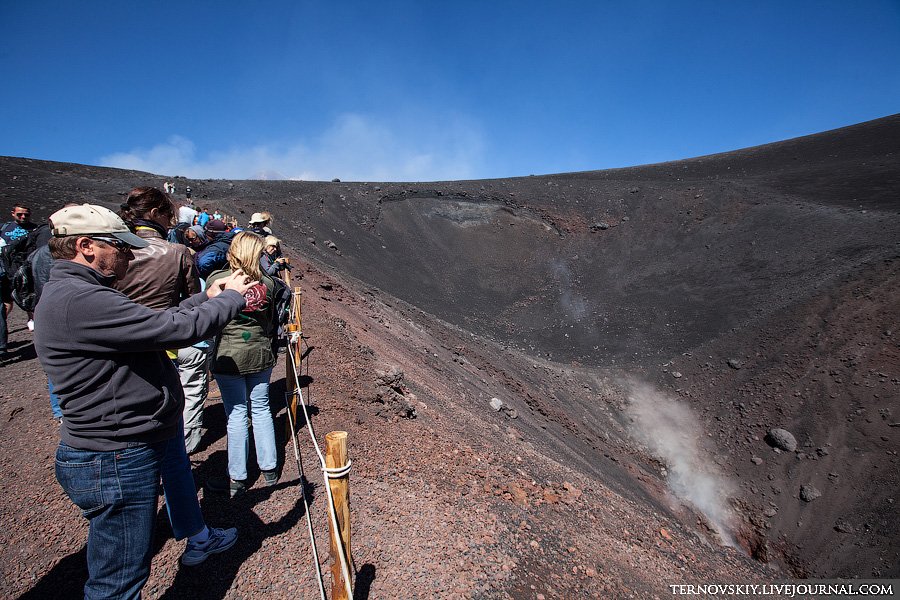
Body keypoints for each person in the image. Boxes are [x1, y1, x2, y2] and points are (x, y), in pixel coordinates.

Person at [34, 203, 258, 598]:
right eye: (119, 246)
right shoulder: (83, 300)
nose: (128, 254)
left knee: (120, 570)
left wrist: (207, 295)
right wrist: (232, 299)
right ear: (86, 246)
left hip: (120, 442)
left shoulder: (80, 293)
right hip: (116, 453)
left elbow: (153, 324)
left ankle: (197, 538)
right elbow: (175, 329)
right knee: (117, 583)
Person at [114, 187, 210, 454]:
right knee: (186, 392)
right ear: (155, 214)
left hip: (125, 342)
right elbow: (194, 298)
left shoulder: (115, 252)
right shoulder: (178, 252)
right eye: (169, 217)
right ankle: (184, 446)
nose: (171, 223)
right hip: (171, 336)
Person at [206, 232, 280, 497]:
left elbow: (208, 318)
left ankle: (238, 476)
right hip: (260, 353)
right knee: (261, 409)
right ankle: (269, 468)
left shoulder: (217, 280)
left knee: (236, 414)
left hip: (228, 355)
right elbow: (272, 321)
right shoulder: (269, 284)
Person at [1, 204, 38, 353]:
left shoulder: (35, 229)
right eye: (20, 214)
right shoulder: (4, 228)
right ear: (13, 213)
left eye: (26, 215)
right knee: (6, 300)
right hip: (6, 270)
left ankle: (32, 320)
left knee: (29, 296)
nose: (23, 217)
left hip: (26, 268)